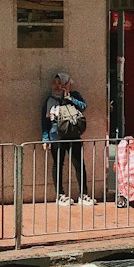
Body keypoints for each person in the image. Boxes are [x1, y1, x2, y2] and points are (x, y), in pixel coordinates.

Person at [41, 71, 93, 205]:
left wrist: (69, 98)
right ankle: (60, 194)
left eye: (61, 83)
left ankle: (84, 194)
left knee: (79, 164)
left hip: (73, 135)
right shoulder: (50, 100)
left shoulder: (74, 96)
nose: (57, 86)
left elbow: (83, 107)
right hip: (56, 136)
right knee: (58, 164)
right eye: (55, 83)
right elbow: (45, 121)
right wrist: (45, 139)